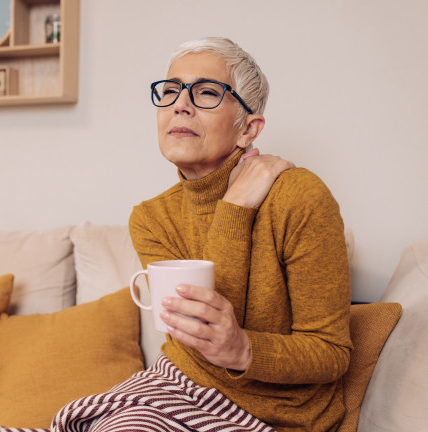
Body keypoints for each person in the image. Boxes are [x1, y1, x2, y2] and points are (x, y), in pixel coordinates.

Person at [125, 37, 353, 432]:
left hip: (278, 414)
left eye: (207, 92)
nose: (180, 104)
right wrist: (237, 202)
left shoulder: (300, 197)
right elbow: (197, 340)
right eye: (170, 91)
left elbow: (332, 353)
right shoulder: (150, 217)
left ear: (248, 128)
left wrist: (244, 350)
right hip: (177, 387)